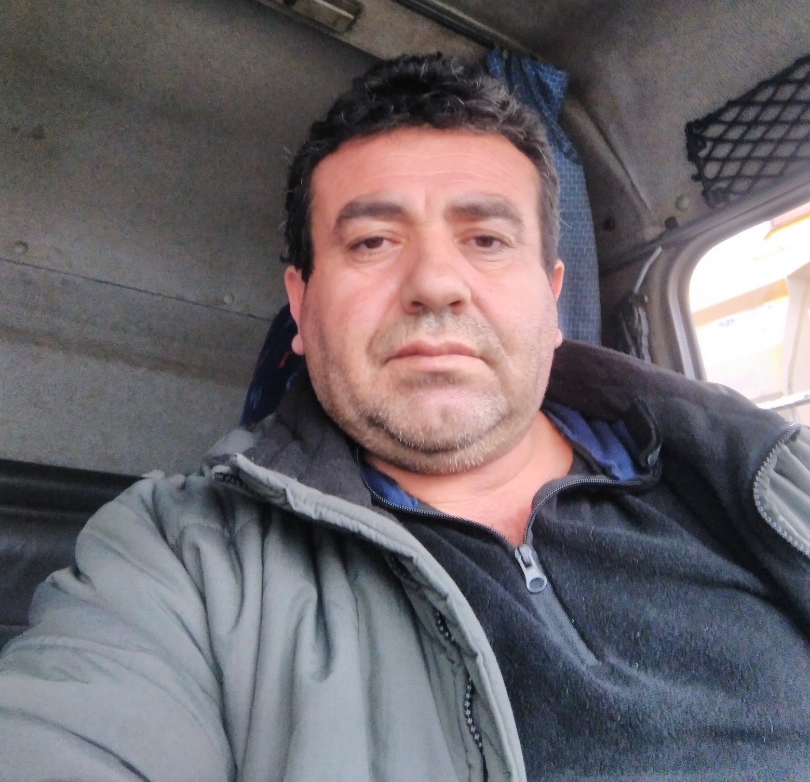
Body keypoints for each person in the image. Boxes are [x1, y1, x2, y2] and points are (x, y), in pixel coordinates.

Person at [1, 55, 808, 781]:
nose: (435, 285)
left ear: (553, 296)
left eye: (485, 239)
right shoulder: (182, 555)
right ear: (301, 306)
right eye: (373, 242)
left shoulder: (768, 477)